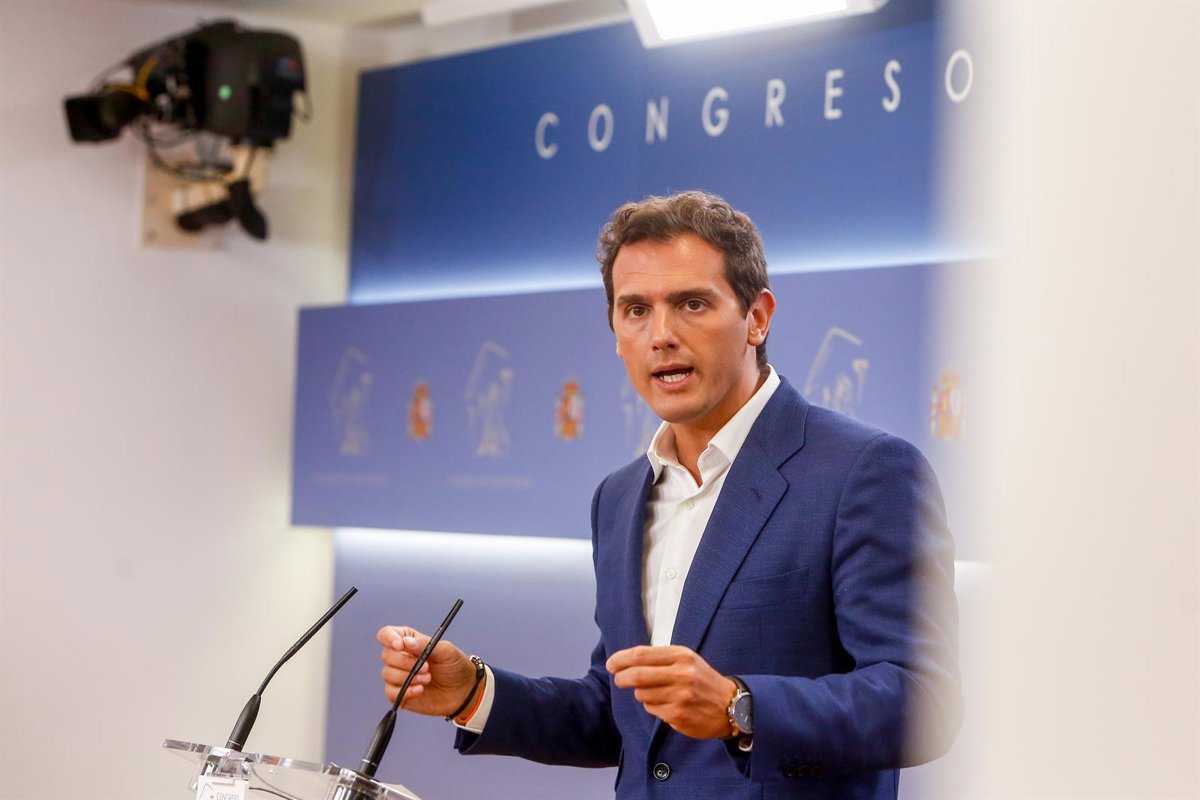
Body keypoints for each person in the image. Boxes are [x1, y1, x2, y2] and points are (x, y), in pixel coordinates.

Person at [377, 190, 962, 799]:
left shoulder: (865, 471)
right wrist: (475, 693)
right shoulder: (619, 497)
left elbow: (924, 700)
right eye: (635, 309)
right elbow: (625, 715)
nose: (661, 335)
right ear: (615, 332)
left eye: (691, 304)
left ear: (757, 318)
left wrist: (740, 707)